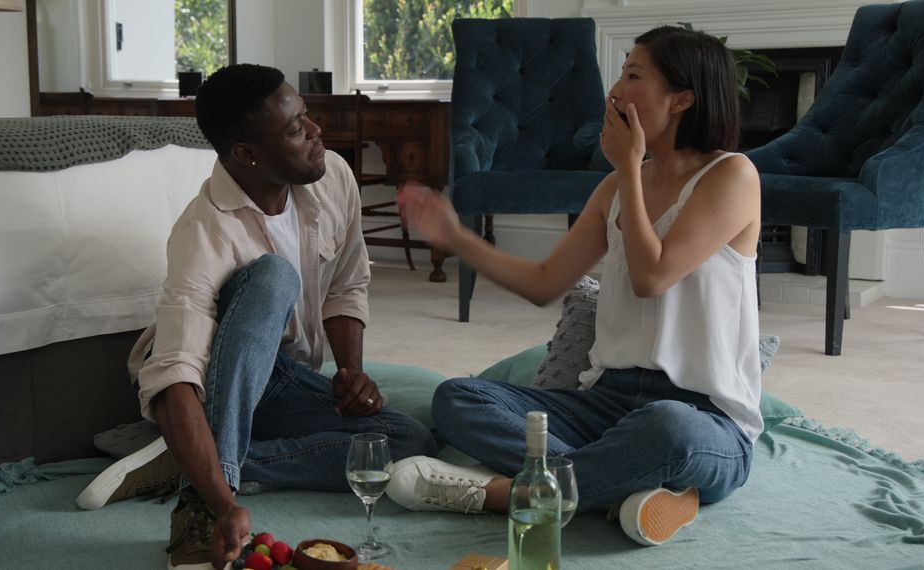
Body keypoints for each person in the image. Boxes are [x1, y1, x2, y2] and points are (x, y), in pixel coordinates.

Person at [386, 26, 761, 547]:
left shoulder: (732, 176)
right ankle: (622, 486)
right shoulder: (615, 187)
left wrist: (629, 167)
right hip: (605, 404)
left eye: (633, 75)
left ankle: (503, 493)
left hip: (703, 417)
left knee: (667, 430)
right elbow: (546, 282)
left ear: (682, 98)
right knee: (459, 399)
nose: (615, 91)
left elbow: (652, 275)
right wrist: (454, 235)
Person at [76, 64, 436, 569]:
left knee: (403, 442)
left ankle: (194, 461)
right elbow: (175, 370)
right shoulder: (203, 230)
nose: (316, 133)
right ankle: (201, 491)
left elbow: (347, 286)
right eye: (295, 129)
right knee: (274, 277)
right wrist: (222, 505)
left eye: (306, 117)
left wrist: (351, 375)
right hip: (213, 381)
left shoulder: (334, 177)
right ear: (247, 154)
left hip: (284, 381)